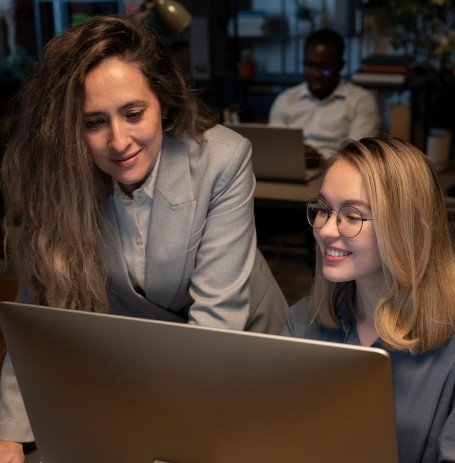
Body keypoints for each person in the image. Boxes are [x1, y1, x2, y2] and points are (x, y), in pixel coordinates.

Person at [0, 15, 288, 461]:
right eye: (94, 122)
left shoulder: (224, 161)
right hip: (145, 366)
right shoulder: (58, 179)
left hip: (241, 353)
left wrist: (160, 443)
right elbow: (36, 309)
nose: (119, 141)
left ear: (165, 103)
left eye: (134, 114)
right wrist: (10, 434)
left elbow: (214, 330)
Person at [283, 136, 455, 463]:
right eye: (323, 210)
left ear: (404, 227)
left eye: (352, 215)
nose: (327, 229)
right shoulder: (302, 320)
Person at [269, 29, 380, 164]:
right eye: (310, 67)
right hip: (290, 168)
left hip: (335, 172)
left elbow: (359, 156)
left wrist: (319, 157)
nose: (316, 74)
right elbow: (275, 149)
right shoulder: (285, 100)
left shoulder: (361, 101)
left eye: (325, 68)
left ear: (340, 66)